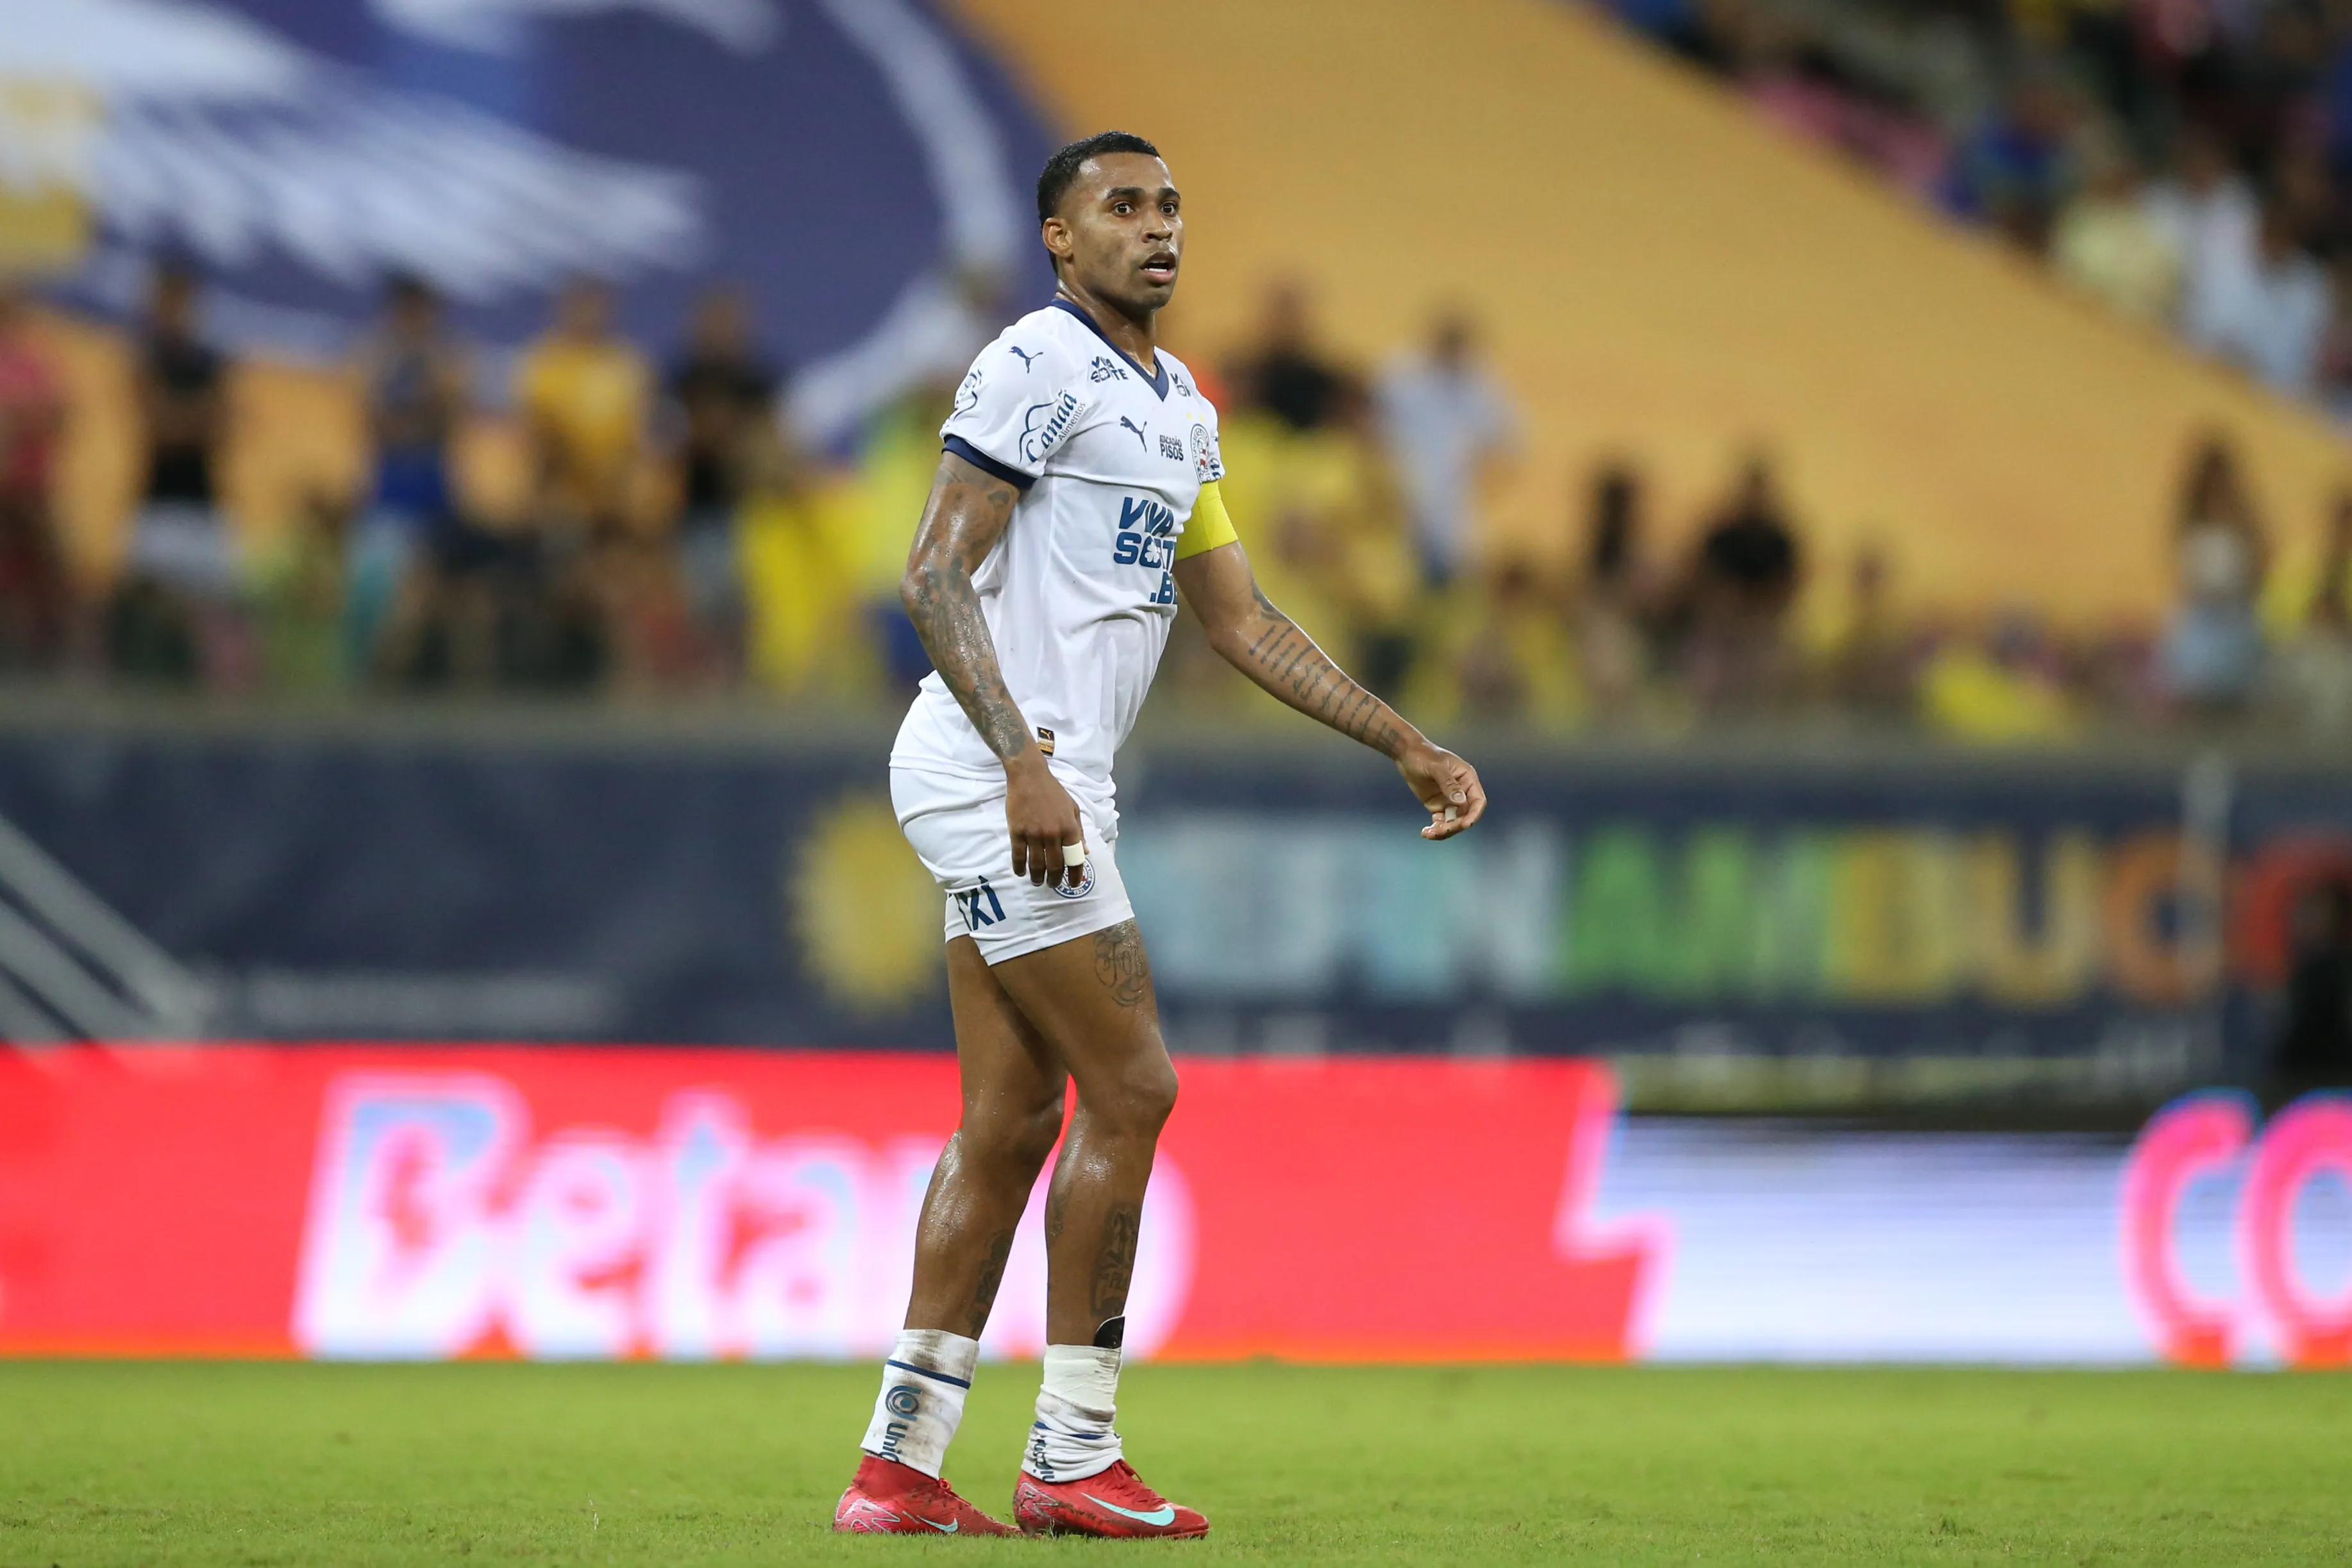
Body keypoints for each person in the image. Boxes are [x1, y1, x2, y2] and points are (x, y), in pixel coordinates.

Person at [836, 131, 1487, 1540]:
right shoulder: (1032, 362)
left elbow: (1240, 618)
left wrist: (1403, 739)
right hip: (1002, 772)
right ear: (1059, 239)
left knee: (1012, 1119)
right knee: (1134, 1086)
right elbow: (932, 571)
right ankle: (1072, 1449)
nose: (1158, 226)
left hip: (1048, 781)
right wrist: (1022, 763)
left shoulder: (1180, 404)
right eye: (1121, 206)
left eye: (1171, 205)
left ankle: (898, 1461)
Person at [115, 262, 240, 685]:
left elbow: (225, 425)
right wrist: (197, 418)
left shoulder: (209, 360)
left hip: (202, 499)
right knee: (147, 609)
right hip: (159, 498)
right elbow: (158, 425)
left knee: (212, 613)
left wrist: (180, 418)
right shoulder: (147, 356)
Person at [351, 274, 469, 678]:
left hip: (434, 495)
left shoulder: (446, 358)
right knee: (378, 597)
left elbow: (448, 418)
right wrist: (419, 415)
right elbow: (378, 424)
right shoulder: (377, 357)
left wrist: (419, 413)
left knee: (442, 598)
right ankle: (377, 678)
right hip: (390, 495)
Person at [665, 285, 782, 671]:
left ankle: (740, 677)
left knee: (749, 602)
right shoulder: (683, 379)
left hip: (752, 512)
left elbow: (769, 446)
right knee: (701, 602)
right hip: (696, 509)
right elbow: (672, 441)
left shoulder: (758, 381)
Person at [1375, 308, 1518, 589]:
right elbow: (1370, 432)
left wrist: (1483, 483)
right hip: (1400, 503)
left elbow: (1511, 444)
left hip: (1453, 513)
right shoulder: (1400, 377)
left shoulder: (1481, 385)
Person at [2159, 433, 2269, 712]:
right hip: (2202, 622)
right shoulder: (2190, 523)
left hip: (2236, 618)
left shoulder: (2244, 525)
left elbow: (2259, 568)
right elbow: (2184, 575)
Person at [0, 281, 67, 668]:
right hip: (10, 494)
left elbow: (59, 414)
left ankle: (42, 661)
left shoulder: (34, 363)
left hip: (29, 493)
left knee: (43, 586)